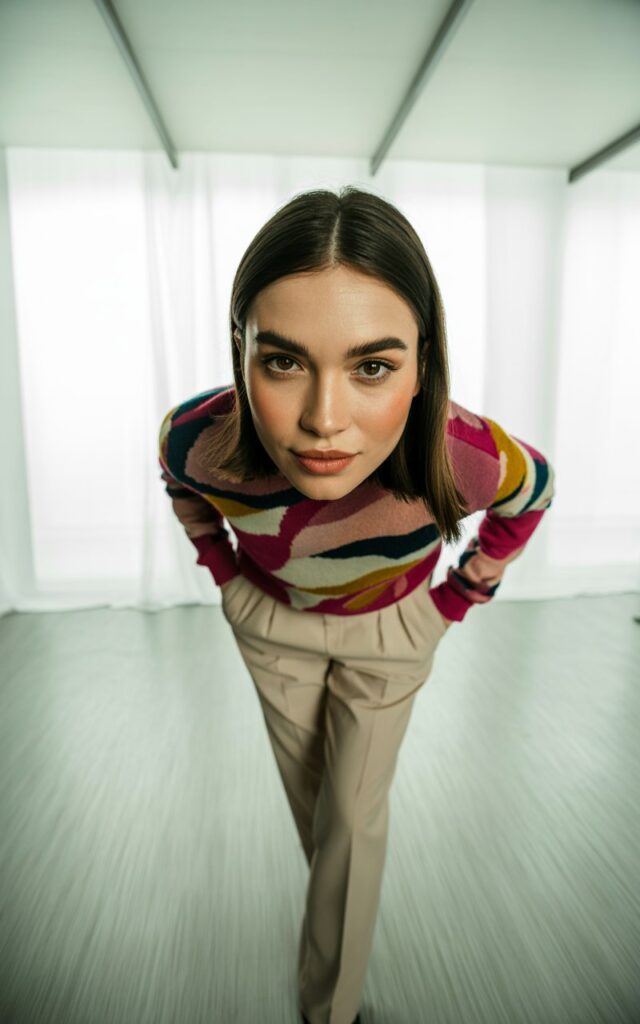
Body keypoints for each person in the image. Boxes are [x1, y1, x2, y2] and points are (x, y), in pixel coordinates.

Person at [157, 186, 555, 1024]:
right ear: (241, 351)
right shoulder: (196, 440)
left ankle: (328, 1012)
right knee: (325, 812)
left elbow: (535, 492)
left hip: (395, 629)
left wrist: (454, 599)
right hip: (271, 624)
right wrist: (224, 575)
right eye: (283, 361)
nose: (323, 421)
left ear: (422, 360)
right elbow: (180, 485)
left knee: (350, 812)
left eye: (373, 365)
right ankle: (341, 907)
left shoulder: (467, 453)